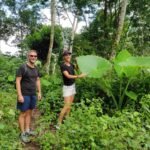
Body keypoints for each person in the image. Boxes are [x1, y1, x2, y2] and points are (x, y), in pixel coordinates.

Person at [16, 50, 41, 143]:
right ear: (28, 56)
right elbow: (18, 81)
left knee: (30, 112)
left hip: (33, 94)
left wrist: (39, 92)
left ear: (36, 57)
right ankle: (22, 133)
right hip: (24, 94)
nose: (33, 57)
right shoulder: (23, 67)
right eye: (31, 56)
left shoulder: (36, 68)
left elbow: (37, 80)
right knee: (23, 113)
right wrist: (19, 95)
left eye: (35, 56)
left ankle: (27, 130)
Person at [58, 50, 86, 126]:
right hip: (67, 88)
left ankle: (67, 119)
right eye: (66, 55)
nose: (68, 56)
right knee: (66, 105)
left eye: (69, 55)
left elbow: (77, 69)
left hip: (72, 86)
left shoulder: (71, 64)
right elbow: (67, 76)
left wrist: (77, 62)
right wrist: (79, 76)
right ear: (64, 57)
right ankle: (59, 123)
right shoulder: (63, 66)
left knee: (70, 105)